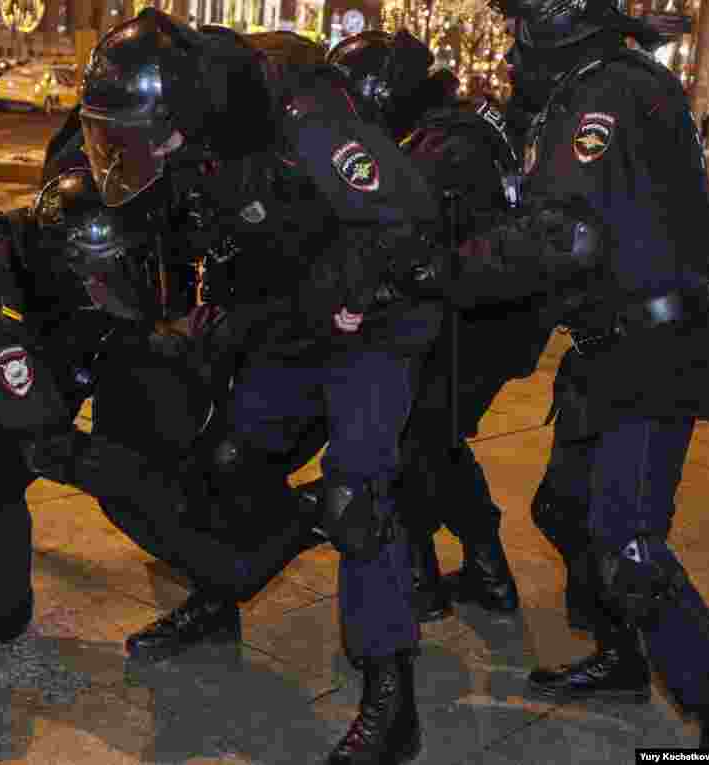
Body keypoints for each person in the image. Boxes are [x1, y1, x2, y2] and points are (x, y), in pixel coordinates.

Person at [77, 12, 446, 762]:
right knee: (232, 459)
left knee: (357, 499)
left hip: (376, 309)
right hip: (297, 309)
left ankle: (391, 697)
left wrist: (336, 296)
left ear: (181, 113)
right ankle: (218, 595)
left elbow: (409, 220)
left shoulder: (303, 114)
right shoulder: (195, 124)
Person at [0, 166, 322, 729]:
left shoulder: (74, 293)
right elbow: (52, 445)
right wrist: (146, 487)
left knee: (4, 618)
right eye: (109, 273)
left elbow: (145, 346)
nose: (120, 282)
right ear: (70, 265)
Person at [396, 0, 709, 748]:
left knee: (628, 545)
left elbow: (563, 235)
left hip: (654, 350)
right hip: (610, 346)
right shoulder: (604, 83)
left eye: (518, 27)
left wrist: (449, 269)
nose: (510, 47)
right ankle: (623, 655)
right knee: (564, 508)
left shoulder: (605, 93)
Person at [327, 29, 552, 623]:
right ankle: (486, 570)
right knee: (436, 439)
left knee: (410, 443)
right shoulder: (455, 127)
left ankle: (423, 579)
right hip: (488, 314)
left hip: (477, 321)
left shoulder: (441, 147)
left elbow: (403, 242)